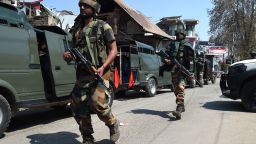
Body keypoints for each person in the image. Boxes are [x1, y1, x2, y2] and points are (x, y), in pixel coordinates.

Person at [63, 0, 120, 143]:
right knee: (77, 106)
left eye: (85, 5)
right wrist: (68, 56)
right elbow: (73, 53)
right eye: (80, 5)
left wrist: (104, 66)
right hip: (83, 74)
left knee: (98, 104)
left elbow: (113, 50)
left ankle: (113, 124)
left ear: (93, 8)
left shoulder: (103, 26)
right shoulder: (76, 29)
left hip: (101, 72)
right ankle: (87, 137)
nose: (82, 8)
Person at [164, 29, 195, 120]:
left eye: (180, 34)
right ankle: (182, 105)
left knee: (180, 87)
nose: (178, 35)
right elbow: (166, 54)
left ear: (184, 35)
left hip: (184, 71)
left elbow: (191, 61)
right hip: (174, 69)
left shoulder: (187, 46)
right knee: (175, 88)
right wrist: (166, 60)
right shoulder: (172, 44)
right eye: (177, 33)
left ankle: (179, 108)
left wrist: (191, 73)